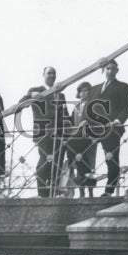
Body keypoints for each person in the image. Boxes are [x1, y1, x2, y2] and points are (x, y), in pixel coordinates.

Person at [23, 66, 67, 197]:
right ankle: (42, 192)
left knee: (57, 161)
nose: (52, 75)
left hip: (58, 133)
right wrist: (30, 96)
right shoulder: (36, 91)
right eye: (49, 73)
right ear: (43, 75)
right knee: (45, 159)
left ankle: (52, 191)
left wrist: (68, 126)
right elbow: (22, 103)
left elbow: (64, 113)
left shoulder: (60, 94)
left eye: (54, 73)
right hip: (43, 132)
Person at [92, 60, 128, 196]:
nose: (110, 71)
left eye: (113, 69)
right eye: (108, 68)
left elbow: (127, 107)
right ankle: (85, 190)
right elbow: (88, 107)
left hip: (111, 128)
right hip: (95, 128)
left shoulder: (122, 86)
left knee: (111, 159)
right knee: (82, 157)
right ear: (104, 70)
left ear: (117, 71)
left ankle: (108, 191)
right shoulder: (95, 88)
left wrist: (117, 121)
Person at [65, 81, 101, 198]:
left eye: (86, 90)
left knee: (89, 165)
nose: (84, 93)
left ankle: (90, 192)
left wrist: (89, 125)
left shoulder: (93, 105)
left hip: (89, 138)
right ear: (79, 93)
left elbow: (98, 120)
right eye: (81, 91)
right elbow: (72, 122)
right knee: (79, 162)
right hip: (78, 138)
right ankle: (81, 192)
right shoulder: (76, 107)